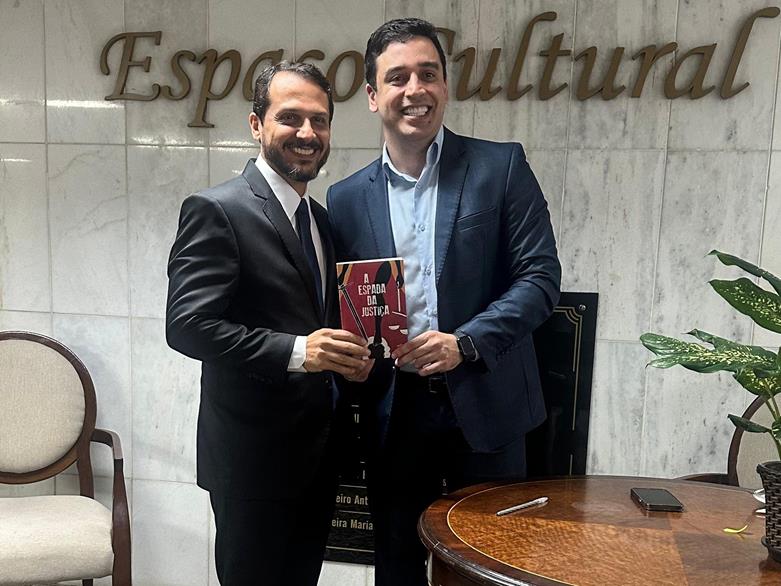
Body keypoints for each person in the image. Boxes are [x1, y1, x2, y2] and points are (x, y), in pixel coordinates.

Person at [326, 18, 562, 586]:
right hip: (395, 411)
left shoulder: (500, 167)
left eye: (428, 74)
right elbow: (353, 302)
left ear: (445, 85)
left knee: (492, 565)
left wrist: (465, 343)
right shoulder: (345, 197)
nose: (416, 90)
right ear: (372, 95)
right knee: (398, 565)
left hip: (488, 401)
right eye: (398, 77)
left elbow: (540, 279)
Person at [166, 61, 371, 586]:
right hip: (251, 462)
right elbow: (186, 325)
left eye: (320, 120)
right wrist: (300, 352)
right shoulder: (217, 209)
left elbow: (319, 320)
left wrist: (350, 359)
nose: (307, 133)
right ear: (257, 125)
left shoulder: (321, 219)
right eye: (291, 117)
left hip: (317, 458)